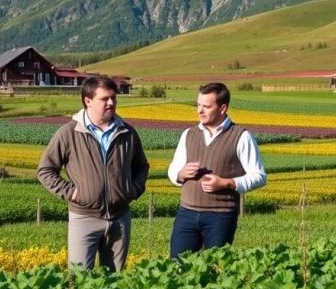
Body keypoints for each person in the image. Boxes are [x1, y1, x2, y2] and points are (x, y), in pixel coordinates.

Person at [38, 76, 149, 271]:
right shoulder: (69, 133)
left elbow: (141, 166)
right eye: (104, 99)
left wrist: (132, 190)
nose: (111, 103)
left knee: (113, 280)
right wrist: (71, 193)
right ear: (87, 101)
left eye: (114, 98)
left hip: (120, 218)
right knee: (80, 277)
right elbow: (45, 170)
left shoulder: (127, 132)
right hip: (84, 218)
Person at [168, 82, 267, 259]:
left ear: (223, 108)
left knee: (215, 268)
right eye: (198, 105)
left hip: (220, 216)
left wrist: (226, 183)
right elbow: (173, 170)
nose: (199, 111)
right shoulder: (189, 134)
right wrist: (180, 174)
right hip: (187, 213)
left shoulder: (241, 136)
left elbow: (259, 176)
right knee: (176, 266)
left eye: (206, 106)